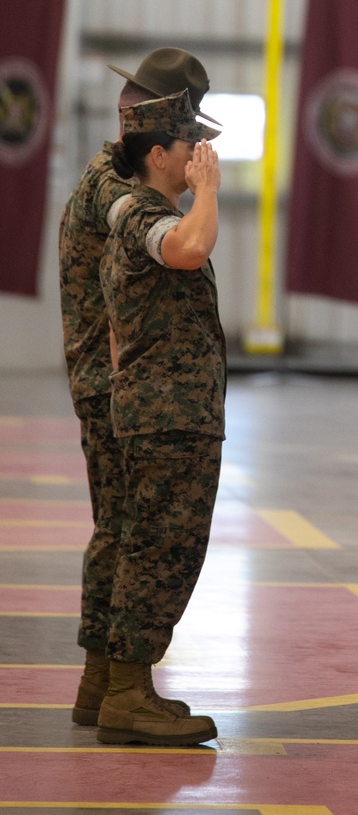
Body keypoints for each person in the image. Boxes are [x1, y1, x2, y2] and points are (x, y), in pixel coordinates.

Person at [58, 48, 214, 728]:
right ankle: (123, 688)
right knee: (150, 539)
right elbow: (174, 245)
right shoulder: (119, 192)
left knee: (121, 533)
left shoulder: (105, 176)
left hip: (115, 385)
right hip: (131, 388)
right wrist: (200, 200)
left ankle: (104, 682)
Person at [95, 89, 225, 748]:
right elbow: (191, 248)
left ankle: (123, 687)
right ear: (159, 154)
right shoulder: (144, 215)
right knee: (160, 551)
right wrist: (209, 191)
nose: (199, 155)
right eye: (189, 147)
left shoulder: (144, 210)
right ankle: (125, 695)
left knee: (156, 547)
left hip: (169, 412)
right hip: (167, 415)